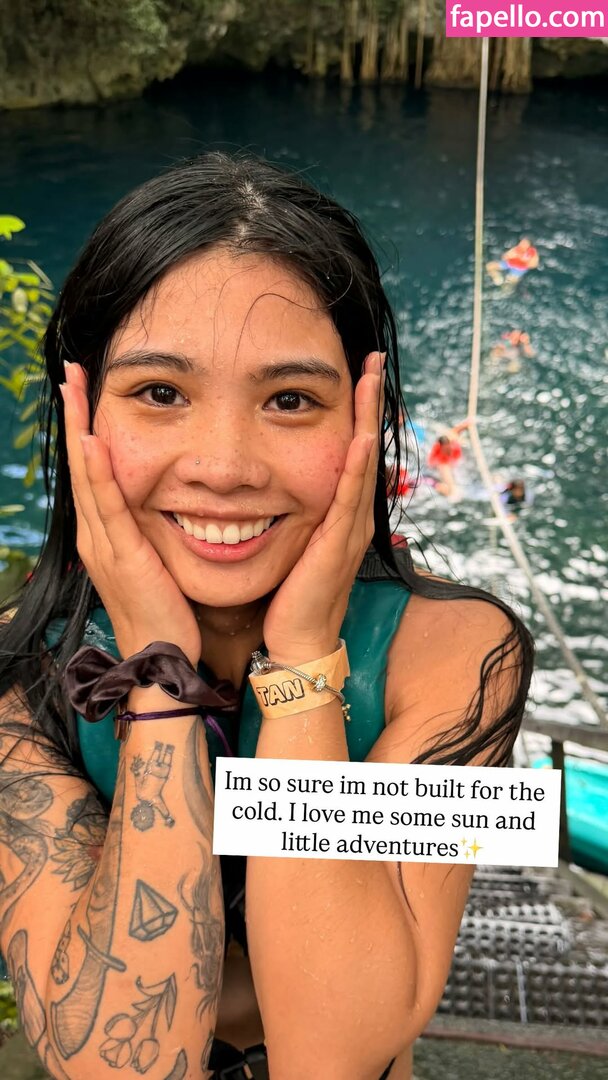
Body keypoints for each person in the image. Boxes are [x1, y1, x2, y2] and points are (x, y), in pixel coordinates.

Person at [0, 153, 533, 1080]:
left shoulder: (452, 657)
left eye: (290, 400)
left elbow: (333, 1056)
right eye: (160, 393)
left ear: (364, 421)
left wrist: (303, 667)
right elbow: (124, 1066)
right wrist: (158, 672)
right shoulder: (24, 668)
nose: (225, 466)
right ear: (81, 414)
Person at [427, 420, 470, 499]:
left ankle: (452, 489)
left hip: (452, 462)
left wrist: (464, 425)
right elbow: (431, 462)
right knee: (444, 467)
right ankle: (452, 489)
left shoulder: (454, 445)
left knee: (457, 437)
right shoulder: (437, 449)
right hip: (441, 465)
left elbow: (455, 432)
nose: (446, 448)